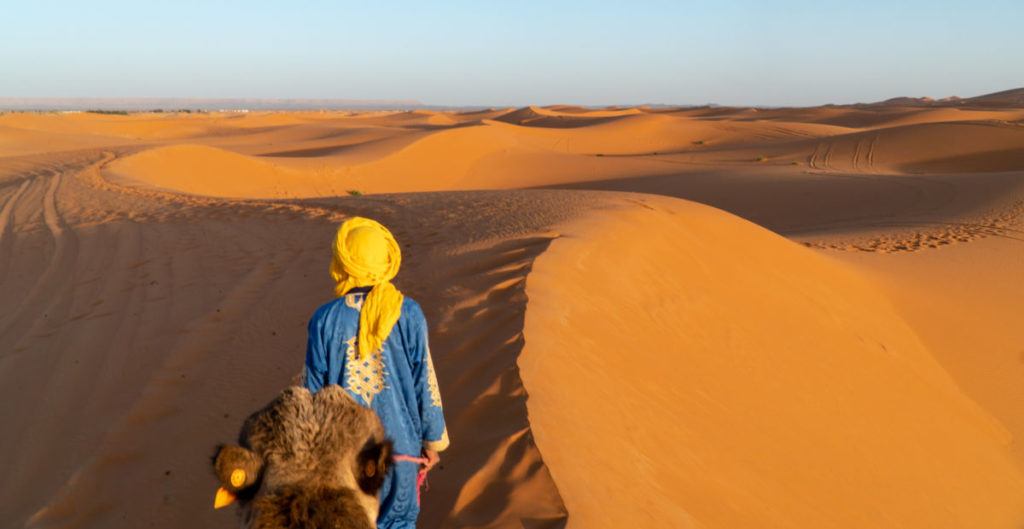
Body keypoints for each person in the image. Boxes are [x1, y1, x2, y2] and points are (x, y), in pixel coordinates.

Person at [303, 217, 449, 529]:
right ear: (384, 261)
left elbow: (312, 394)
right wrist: (433, 441)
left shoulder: (324, 320)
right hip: (402, 454)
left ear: (343, 263)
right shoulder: (407, 312)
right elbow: (426, 381)